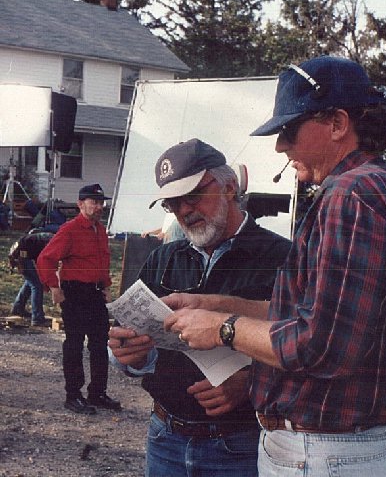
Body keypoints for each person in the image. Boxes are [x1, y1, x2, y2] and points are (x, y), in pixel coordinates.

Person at [162, 57, 386, 476]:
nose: (280, 146)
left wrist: (223, 328)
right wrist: (211, 303)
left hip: (325, 453)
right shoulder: (370, 187)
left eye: (288, 131)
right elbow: (308, 313)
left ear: (338, 124)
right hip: (335, 450)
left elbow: (320, 345)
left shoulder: (351, 196)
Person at [108, 138, 292, 477]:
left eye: (193, 195)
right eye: (172, 203)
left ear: (230, 187)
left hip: (242, 444)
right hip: (165, 437)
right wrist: (128, 356)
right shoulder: (161, 259)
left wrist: (251, 384)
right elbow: (136, 351)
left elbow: (309, 346)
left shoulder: (282, 258)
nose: (184, 210)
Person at [36, 183, 121, 415]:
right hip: (74, 293)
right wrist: (54, 287)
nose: (99, 206)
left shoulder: (100, 230)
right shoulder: (69, 230)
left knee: (99, 344)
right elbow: (45, 259)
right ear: (80, 204)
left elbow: (102, 261)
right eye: (94, 202)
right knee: (74, 345)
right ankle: (73, 395)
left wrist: (106, 287)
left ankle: (97, 393)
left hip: (94, 294)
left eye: (101, 202)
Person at [9, 229, 55, 325]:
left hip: (19, 251)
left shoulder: (48, 239)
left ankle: (18, 308)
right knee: (37, 285)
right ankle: (37, 318)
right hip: (21, 254)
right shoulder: (54, 242)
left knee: (30, 281)